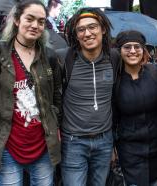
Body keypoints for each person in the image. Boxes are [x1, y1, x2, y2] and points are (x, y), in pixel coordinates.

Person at [0, 0, 62, 185]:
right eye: (29, 19)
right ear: (16, 20)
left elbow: (56, 98)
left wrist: (57, 128)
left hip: (43, 145)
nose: (35, 25)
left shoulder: (49, 56)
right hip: (7, 146)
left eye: (41, 21)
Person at [56, 7, 120, 186]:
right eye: (81, 29)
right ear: (76, 35)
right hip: (73, 141)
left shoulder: (114, 58)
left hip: (104, 140)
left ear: (103, 29)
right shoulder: (64, 59)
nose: (87, 33)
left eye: (92, 27)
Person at [114, 30, 157, 186]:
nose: (132, 51)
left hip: (156, 147)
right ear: (119, 51)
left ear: (143, 49)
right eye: (127, 47)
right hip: (129, 149)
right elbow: (112, 115)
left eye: (137, 47)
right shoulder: (114, 79)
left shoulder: (156, 72)